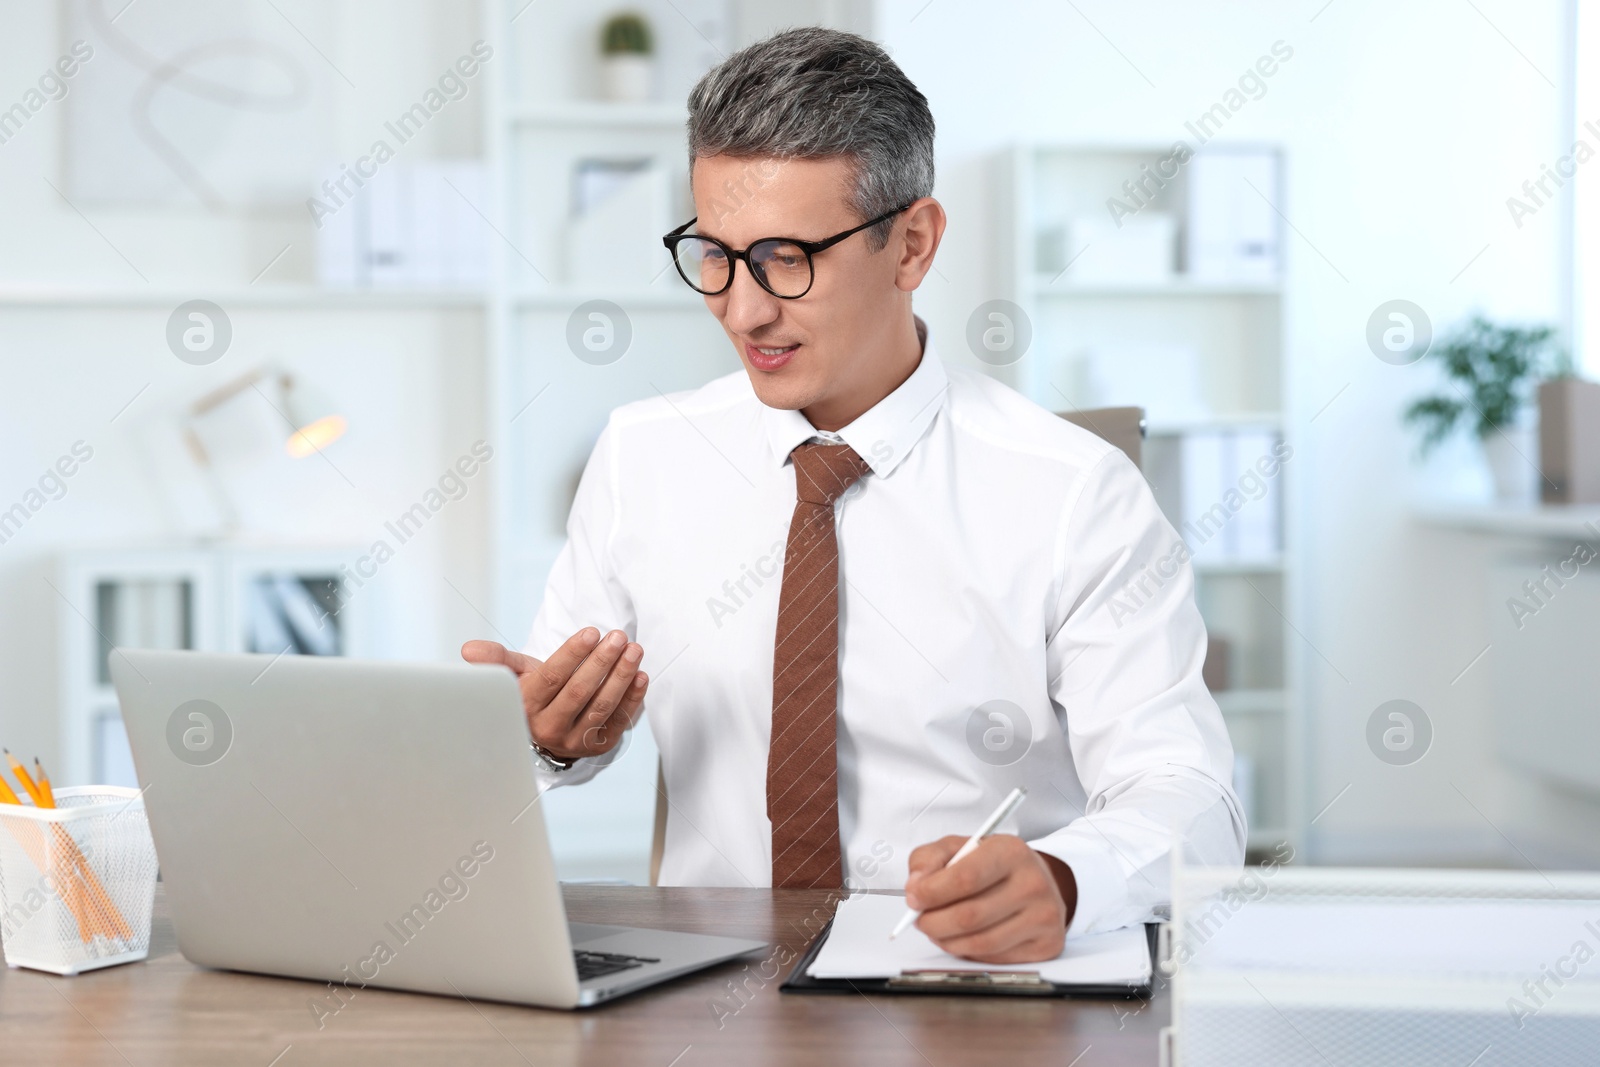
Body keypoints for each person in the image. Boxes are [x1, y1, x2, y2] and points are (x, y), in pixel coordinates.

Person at [464, 26, 1244, 965]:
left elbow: (1190, 793)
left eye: (787, 257)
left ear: (912, 242)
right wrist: (551, 736)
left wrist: (1067, 882)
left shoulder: (1076, 492)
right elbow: (565, 737)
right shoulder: (642, 454)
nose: (743, 309)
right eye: (716, 253)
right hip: (710, 983)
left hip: (964, 980)